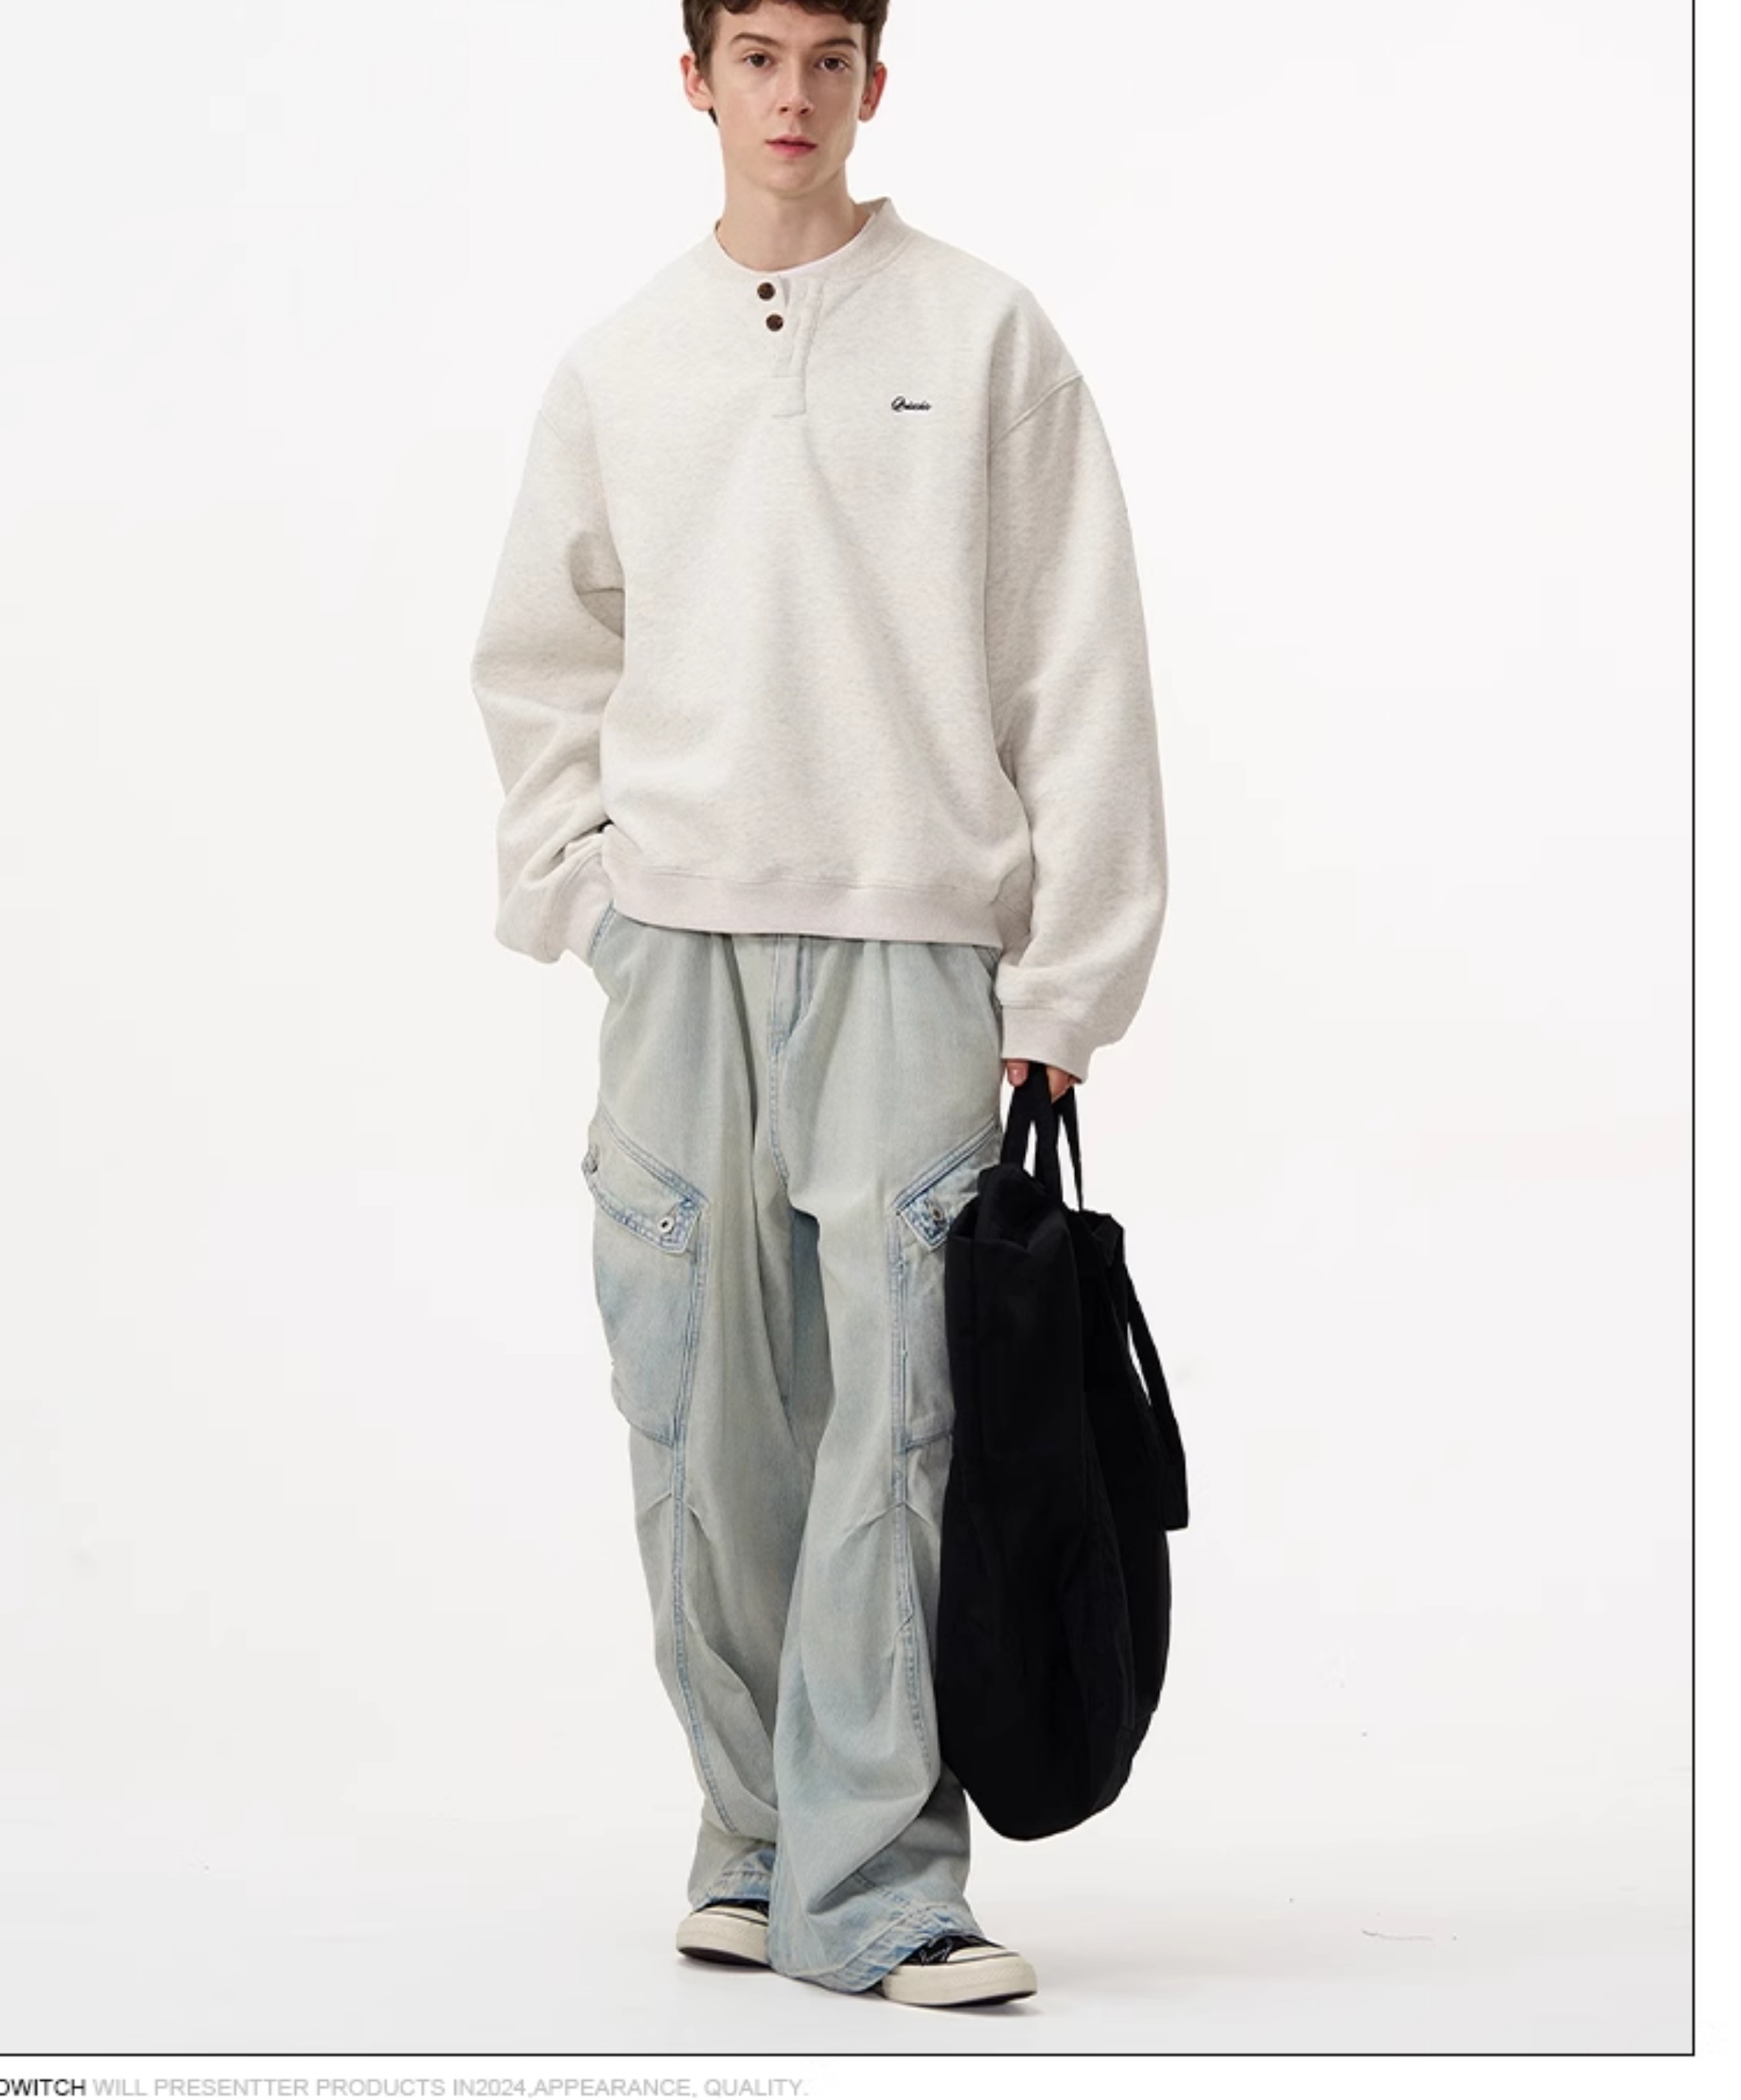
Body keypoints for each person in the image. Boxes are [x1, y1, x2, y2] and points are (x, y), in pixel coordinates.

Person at [468, 0, 1166, 2011]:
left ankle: (880, 1884)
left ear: (877, 79)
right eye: (758, 56)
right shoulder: (623, 362)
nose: (793, 96)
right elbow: (542, 653)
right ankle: (757, 1840)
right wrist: (586, 894)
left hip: (913, 939)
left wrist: (1069, 975)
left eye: (829, 58)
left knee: (906, 1429)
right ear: (695, 77)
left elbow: (1078, 660)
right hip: (677, 949)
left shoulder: (984, 335)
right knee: (699, 1413)